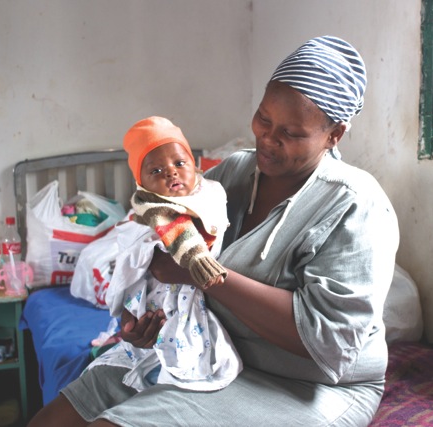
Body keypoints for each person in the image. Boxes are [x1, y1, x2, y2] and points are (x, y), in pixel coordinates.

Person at [28, 35, 399, 427]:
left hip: (303, 384)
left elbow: (332, 343)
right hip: (206, 350)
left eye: (291, 133)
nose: (268, 139)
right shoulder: (233, 173)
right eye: (264, 118)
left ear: (334, 135)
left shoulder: (354, 204)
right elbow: (169, 255)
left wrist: (204, 276)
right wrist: (147, 322)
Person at [88, 116, 241, 392]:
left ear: (194, 165)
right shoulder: (149, 210)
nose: (171, 173)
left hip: (199, 295)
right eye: (156, 170)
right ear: (142, 184)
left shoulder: (210, 194)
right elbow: (132, 267)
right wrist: (127, 322)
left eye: (179, 164)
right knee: (142, 319)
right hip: (155, 297)